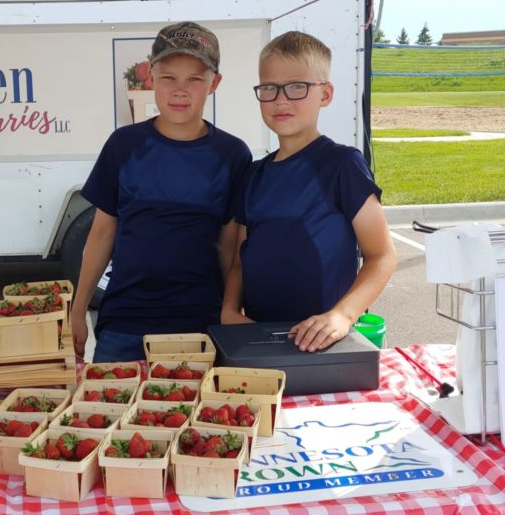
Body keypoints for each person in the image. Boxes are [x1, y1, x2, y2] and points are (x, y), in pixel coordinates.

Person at [72, 21, 252, 363]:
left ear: (214, 83)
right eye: (168, 77)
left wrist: (230, 312)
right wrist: (78, 310)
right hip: (124, 323)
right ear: (151, 78)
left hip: (200, 325)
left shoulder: (233, 154)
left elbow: (231, 248)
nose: (179, 90)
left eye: (194, 79)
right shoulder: (123, 145)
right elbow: (101, 234)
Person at [222, 29, 396, 354]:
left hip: (326, 342)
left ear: (325, 94)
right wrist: (230, 310)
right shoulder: (254, 174)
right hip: (260, 338)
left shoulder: (342, 165)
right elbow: (240, 259)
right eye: (269, 88)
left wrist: (342, 316)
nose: (281, 99)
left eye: (297, 87)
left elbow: (382, 255)